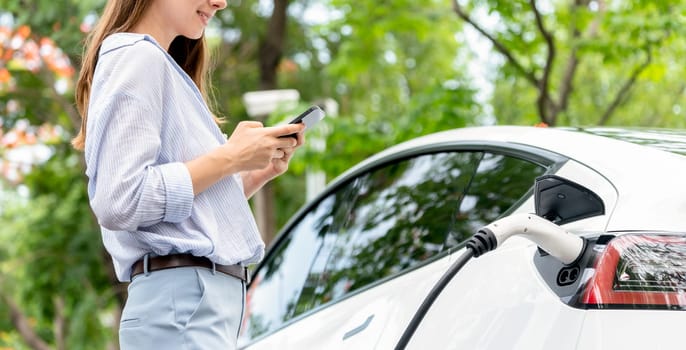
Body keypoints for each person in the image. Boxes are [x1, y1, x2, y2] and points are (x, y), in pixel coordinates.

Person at [71, 0, 305, 348]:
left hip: (194, 306)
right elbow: (120, 199)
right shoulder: (136, 55)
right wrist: (229, 157)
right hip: (181, 304)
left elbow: (180, 215)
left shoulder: (159, 65)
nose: (221, 2)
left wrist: (250, 173)